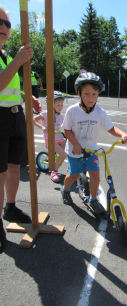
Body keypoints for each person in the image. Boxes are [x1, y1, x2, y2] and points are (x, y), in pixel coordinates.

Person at [0, 6, 42, 253]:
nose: (4, 27)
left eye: (8, 24)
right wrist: (18, 59)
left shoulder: (6, 54)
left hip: (16, 116)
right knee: (0, 171)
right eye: (0, 22)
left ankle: (10, 207)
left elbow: (11, 85)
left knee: (15, 165)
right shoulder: (11, 57)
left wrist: (29, 99)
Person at [61, 72, 127, 214]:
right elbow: (66, 130)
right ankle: (65, 190)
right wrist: (75, 144)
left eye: (94, 94)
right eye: (86, 94)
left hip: (91, 150)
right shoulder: (72, 111)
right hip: (75, 150)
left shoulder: (99, 112)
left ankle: (93, 200)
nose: (91, 98)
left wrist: (123, 134)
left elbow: (111, 128)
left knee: (95, 175)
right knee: (74, 175)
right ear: (79, 93)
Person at [33, 91, 67, 183]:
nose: (60, 108)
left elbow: (65, 126)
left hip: (60, 138)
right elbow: (33, 119)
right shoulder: (45, 113)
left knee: (70, 149)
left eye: (62, 105)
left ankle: (70, 167)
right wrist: (43, 127)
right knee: (64, 155)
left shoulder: (60, 115)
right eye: (58, 105)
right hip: (51, 140)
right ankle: (54, 171)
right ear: (51, 105)